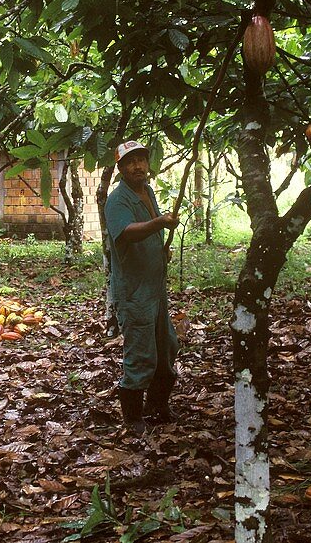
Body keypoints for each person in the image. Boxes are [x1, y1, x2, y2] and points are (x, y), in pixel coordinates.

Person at [104, 140, 180, 434]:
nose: (137, 166)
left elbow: (147, 234)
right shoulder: (117, 200)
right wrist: (159, 223)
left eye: (141, 160)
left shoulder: (146, 191)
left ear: (148, 164)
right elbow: (128, 233)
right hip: (134, 291)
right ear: (121, 168)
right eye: (129, 162)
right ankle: (132, 417)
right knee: (140, 353)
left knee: (167, 345)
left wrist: (160, 249)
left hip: (155, 288)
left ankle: (157, 407)